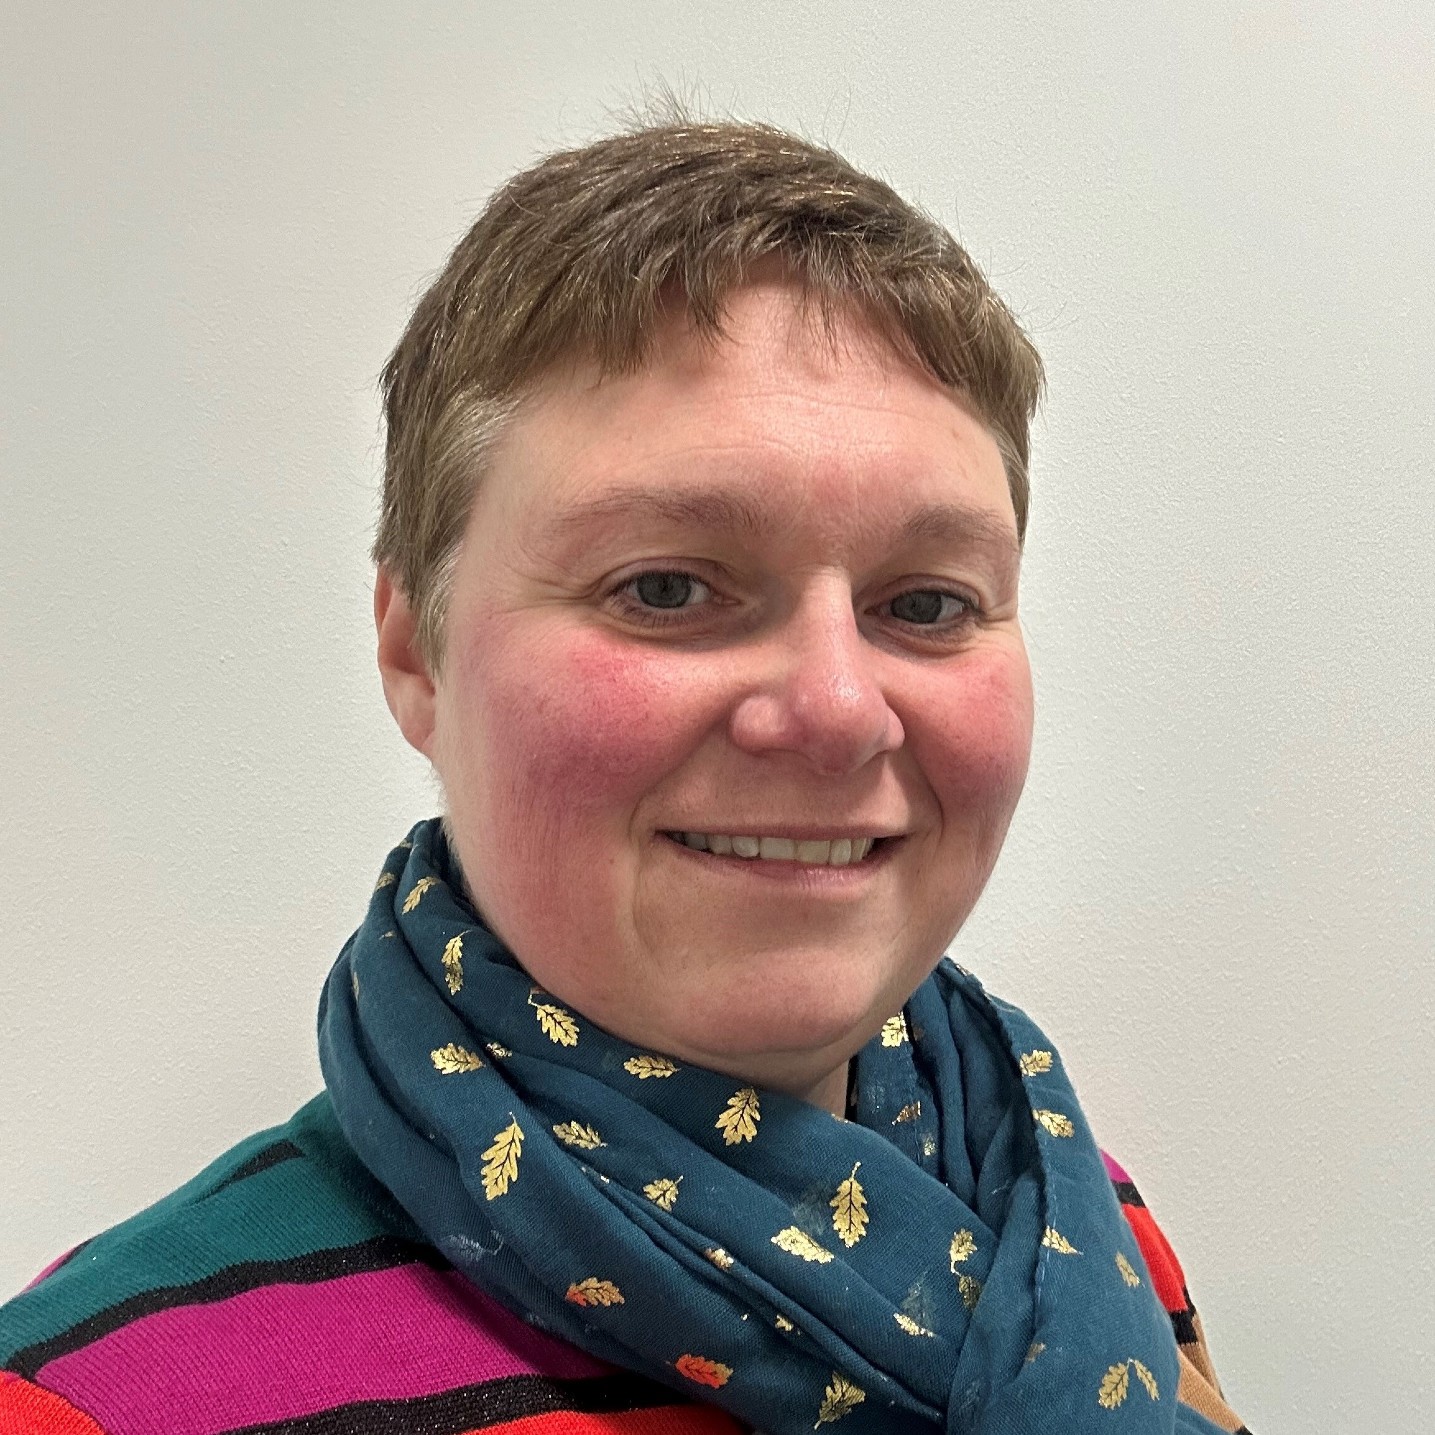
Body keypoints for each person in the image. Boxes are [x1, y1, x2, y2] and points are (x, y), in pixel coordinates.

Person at [0, 120, 1249, 1435]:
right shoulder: (94, 1399)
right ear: (415, 649)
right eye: (665, 586)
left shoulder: (1077, 1232)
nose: (834, 710)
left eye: (928, 603)